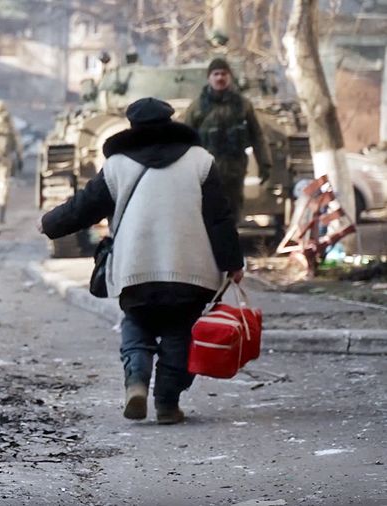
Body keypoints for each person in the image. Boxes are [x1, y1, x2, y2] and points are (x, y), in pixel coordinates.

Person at [39, 97, 244, 425]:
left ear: (132, 126)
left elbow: (84, 206)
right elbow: (219, 217)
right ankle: (167, 404)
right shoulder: (200, 161)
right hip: (190, 268)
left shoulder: (117, 165)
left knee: (137, 322)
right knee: (179, 332)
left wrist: (50, 224)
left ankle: (136, 379)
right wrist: (233, 262)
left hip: (135, 267)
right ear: (170, 122)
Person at [184, 58, 273, 224]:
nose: (220, 78)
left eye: (224, 74)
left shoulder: (243, 105)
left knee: (232, 215)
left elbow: (257, 135)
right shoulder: (197, 107)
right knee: (208, 215)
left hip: (234, 170)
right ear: (209, 78)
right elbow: (185, 140)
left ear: (230, 77)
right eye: (216, 74)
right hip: (206, 172)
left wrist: (265, 163)